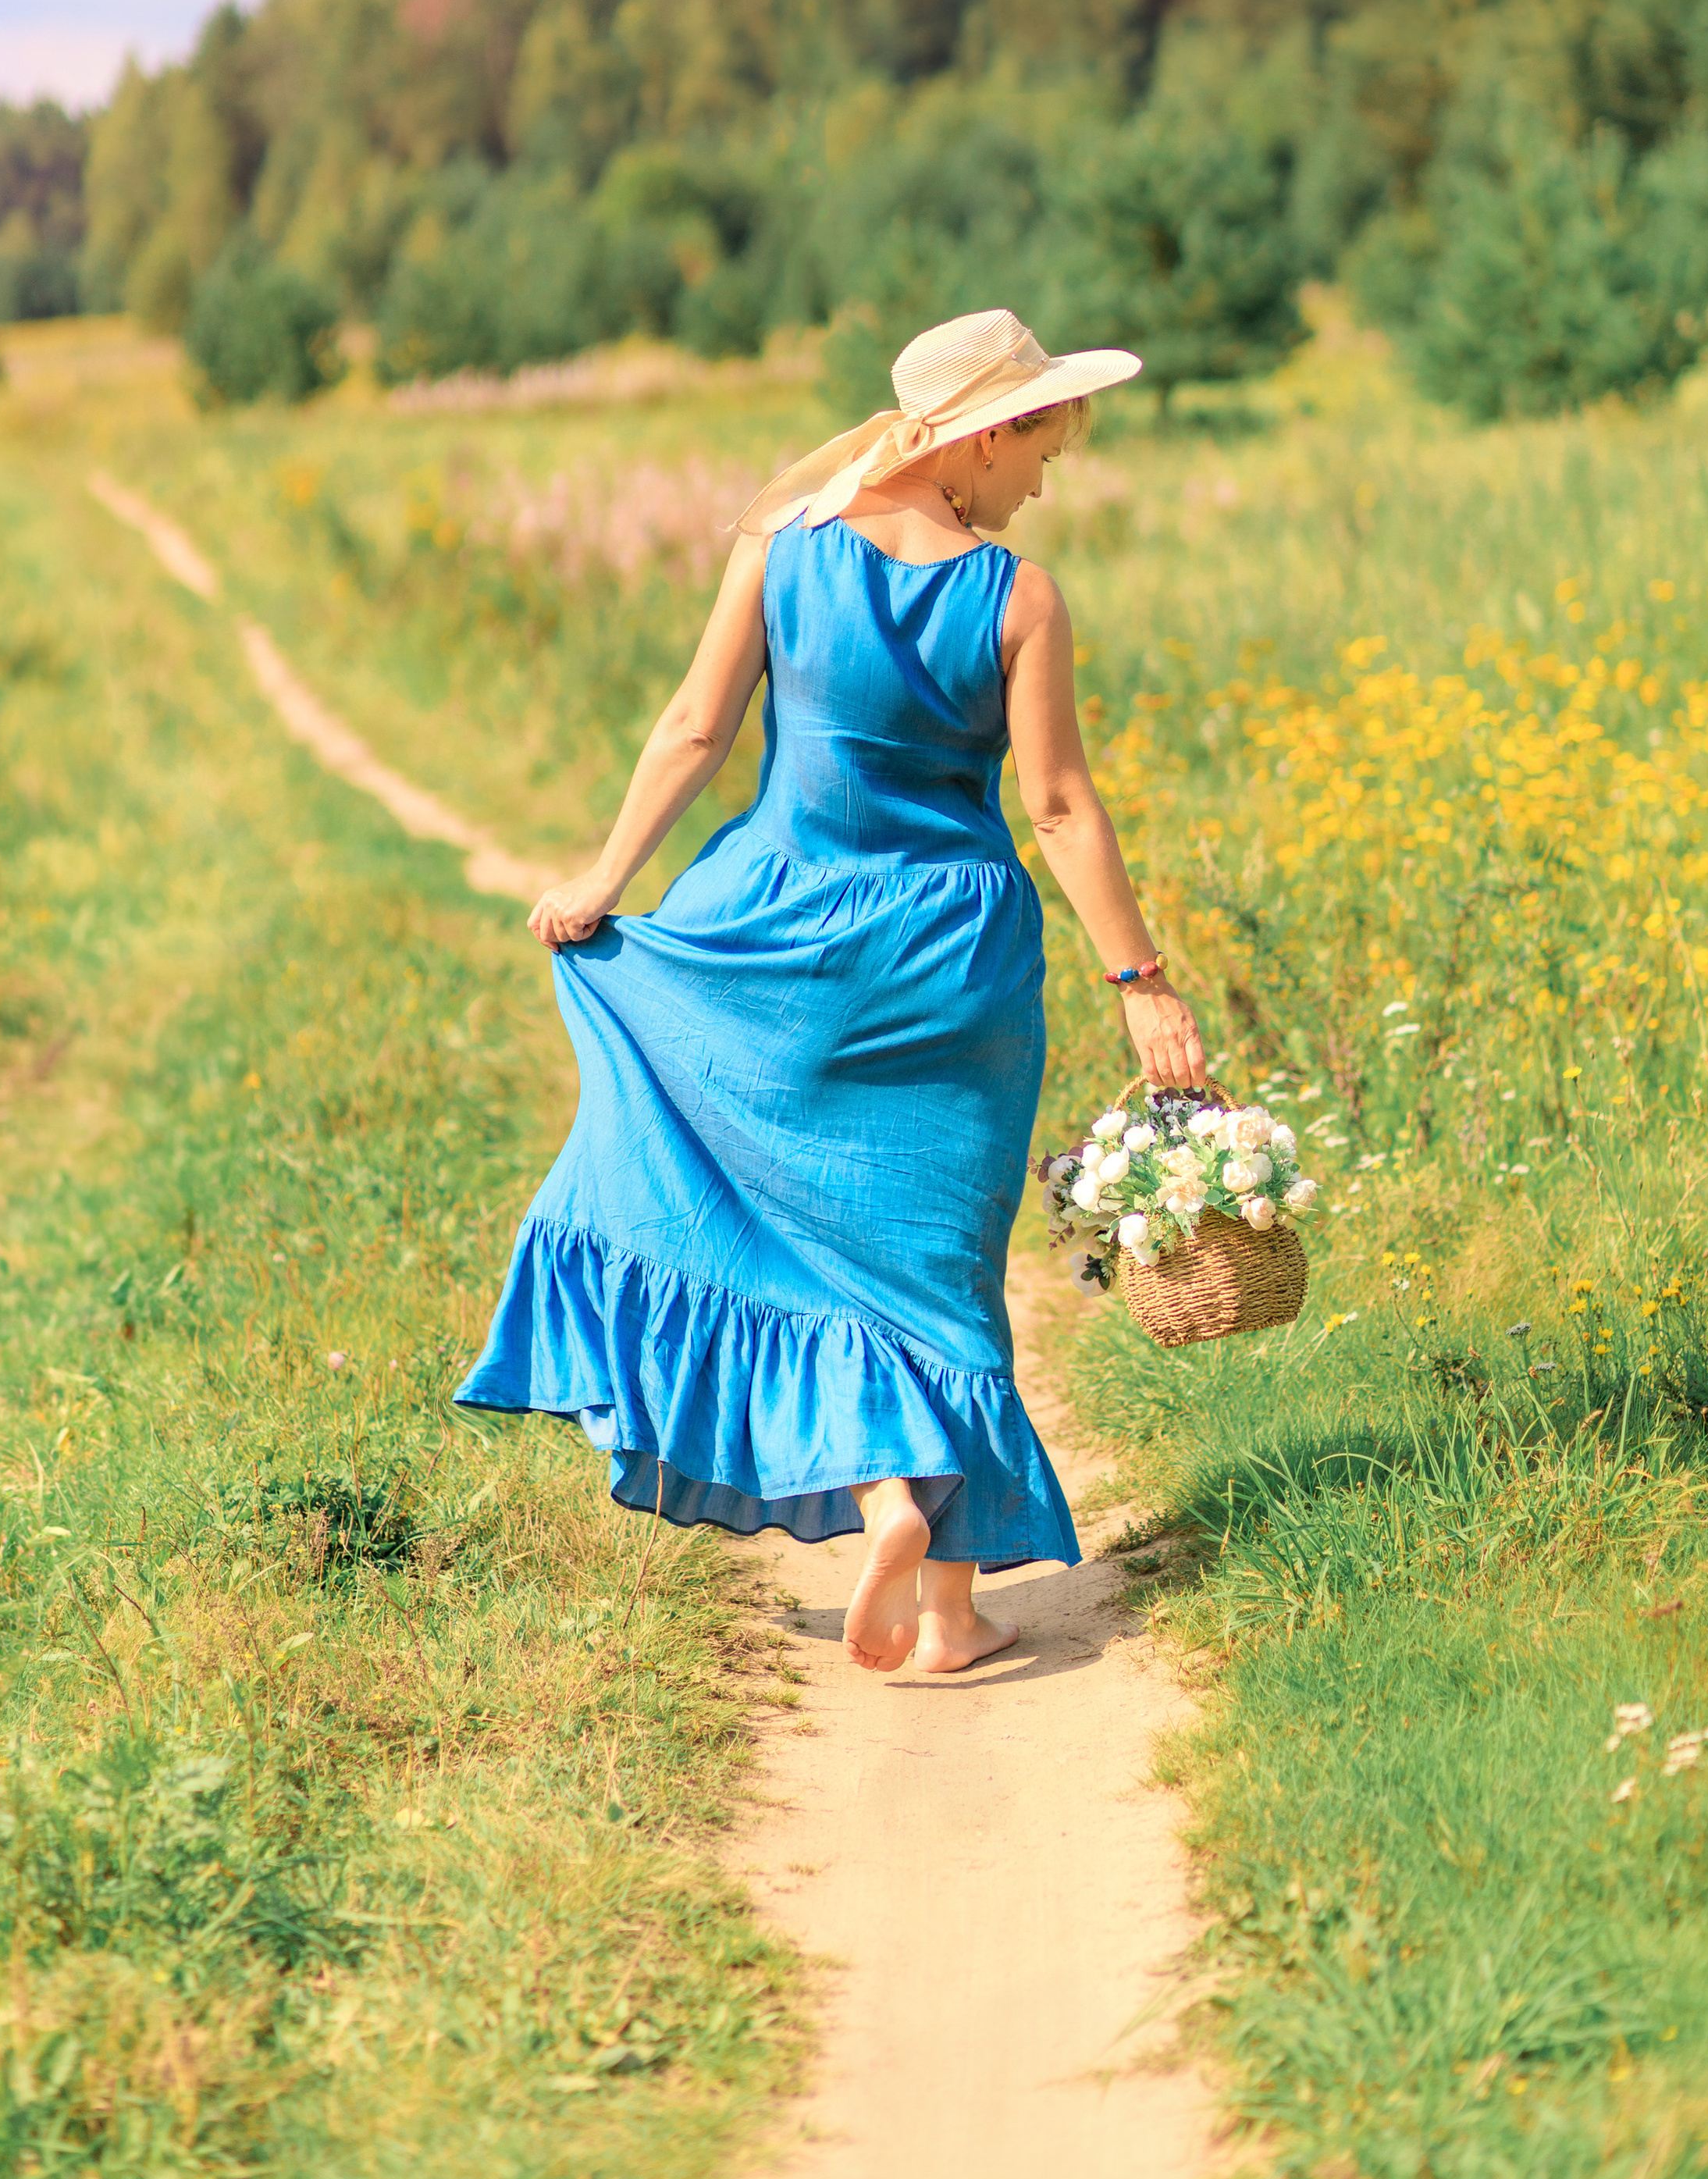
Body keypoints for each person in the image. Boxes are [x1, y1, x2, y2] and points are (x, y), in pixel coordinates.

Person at [456, 308, 1208, 1677]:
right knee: (937, 1273)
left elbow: (696, 726)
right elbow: (1056, 805)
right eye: (1039, 443)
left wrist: (602, 879)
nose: (1043, 478)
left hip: (785, 934)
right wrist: (1141, 985)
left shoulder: (781, 541)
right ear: (979, 439)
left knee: (793, 1240)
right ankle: (951, 1614)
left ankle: (882, 1499)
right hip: (953, 970)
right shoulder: (1016, 595)